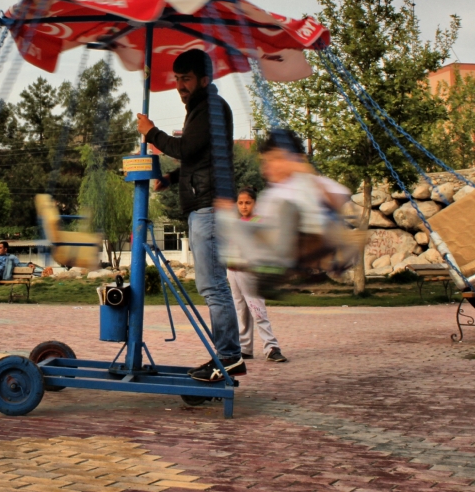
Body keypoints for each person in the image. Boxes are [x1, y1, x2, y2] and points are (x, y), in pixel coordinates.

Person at [137, 48, 245, 381]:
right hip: (206, 205)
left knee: (213, 286)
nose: (180, 86)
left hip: (209, 207)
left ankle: (228, 356)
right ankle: (226, 355)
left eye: (186, 79)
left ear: (203, 79)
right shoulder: (202, 108)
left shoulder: (210, 107)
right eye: (177, 79)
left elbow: (186, 149)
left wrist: (151, 133)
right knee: (212, 284)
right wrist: (170, 179)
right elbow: (198, 159)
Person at [216, 130, 354, 299]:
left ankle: (274, 265)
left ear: (294, 159)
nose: (269, 166)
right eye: (266, 161)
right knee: (227, 218)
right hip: (275, 244)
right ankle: (265, 268)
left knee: (286, 207)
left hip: (310, 235)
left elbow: (339, 201)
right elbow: (262, 226)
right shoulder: (270, 195)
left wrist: (305, 171)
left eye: (276, 159)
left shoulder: (309, 181)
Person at [227, 187, 287, 362]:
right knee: (241, 310)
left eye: (248, 202)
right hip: (233, 271)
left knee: (257, 310)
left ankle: (271, 347)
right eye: (240, 203)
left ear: (255, 203)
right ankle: (245, 347)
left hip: (250, 272)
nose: (244, 206)